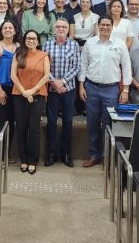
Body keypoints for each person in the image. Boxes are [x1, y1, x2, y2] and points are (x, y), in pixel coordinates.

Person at [78, 16, 132, 168]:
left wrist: (125, 90)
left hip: (111, 89)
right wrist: (81, 86)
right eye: (102, 25)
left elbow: (126, 67)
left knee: (109, 124)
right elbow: (83, 65)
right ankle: (94, 155)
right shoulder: (90, 43)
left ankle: (107, 157)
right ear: (98, 26)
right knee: (92, 123)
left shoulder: (120, 44)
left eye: (108, 25)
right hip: (91, 88)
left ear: (112, 27)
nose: (105, 27)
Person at [11, 30, 49, 175]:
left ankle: (33, 160)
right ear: (24, 40)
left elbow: (46, 76)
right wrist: (24, 92)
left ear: (38, 41)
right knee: (21, 128)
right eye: (28, 38)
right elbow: (13, 75)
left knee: (34, 129)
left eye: (34, 38)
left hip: (38, 95)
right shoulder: (18, 54)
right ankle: (24, 160)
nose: (31, 41)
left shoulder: (43, 55)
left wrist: (32, 91)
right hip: (19, 95)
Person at [44, 18, 80, 167]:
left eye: (64, 27)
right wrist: (54, 82)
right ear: (54, 29)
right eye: (58, 26)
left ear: (68, 29)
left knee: (68, 122)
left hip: (68, 89)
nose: (60, 29)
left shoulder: (74, 45)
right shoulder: (47, 44)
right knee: (51, 122)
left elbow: (77, 67)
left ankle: (66, 154)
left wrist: (63, 82)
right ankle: (51, 154)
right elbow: (44, 67)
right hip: (51, 90)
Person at [0, 20, 20, 149]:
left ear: (15, 31)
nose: (7, 30)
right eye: (5, 28)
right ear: (1, 31)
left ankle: (6, 153)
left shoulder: (19, 46)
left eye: (10, 28)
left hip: (15, 88)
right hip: (0, 87)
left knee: (11, 121)